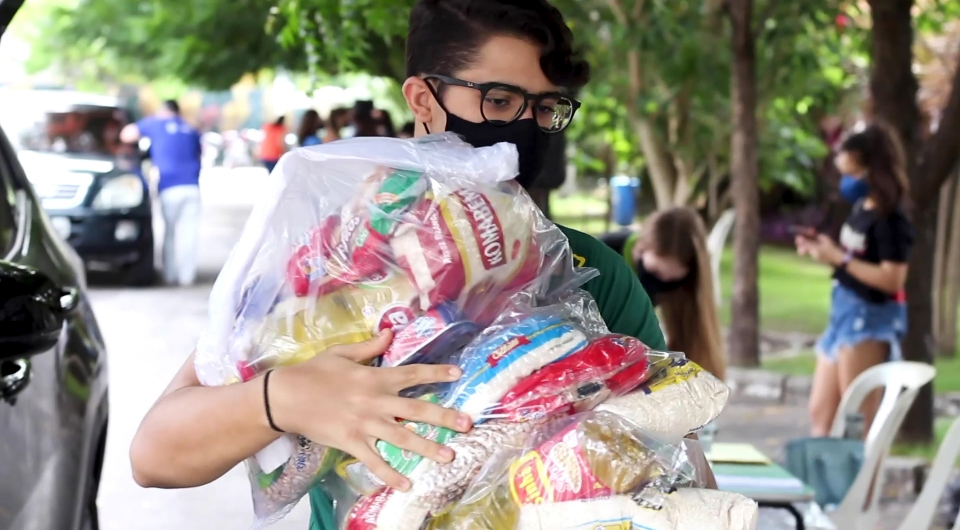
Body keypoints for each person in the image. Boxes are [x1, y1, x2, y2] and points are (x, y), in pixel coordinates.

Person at [129, 3, 671, 529]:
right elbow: (154, 456)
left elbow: (677, 467)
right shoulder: (339, 256)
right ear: (423, 97)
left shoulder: (587, 271)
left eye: (545, 108)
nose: (524, 129)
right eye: (501, 101)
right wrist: (284, 398)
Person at [795, 124, 913, 437]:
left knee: (857, 421)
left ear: (873, 169)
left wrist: (840, 258)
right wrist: (823, 251)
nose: (848, 181)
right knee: (820, 414)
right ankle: (821, 485)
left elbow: (892, 279)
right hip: (842, 314)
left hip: (868, 319)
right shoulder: (861, 208)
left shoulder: (891, 220)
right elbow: (852, 260)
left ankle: (865, 486)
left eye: (854, 172)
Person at [600, 207, 726, 380]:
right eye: (656, 273)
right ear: (640, 247)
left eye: (672, 281)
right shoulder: (603, 255)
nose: (661, 284)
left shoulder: (683, 287)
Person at [120, 99, 202, 287]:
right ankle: (187, 277)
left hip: (169, 187)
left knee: (170, 233)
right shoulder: (190, 128)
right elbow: (198, 153)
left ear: (163, 111)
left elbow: (127, 134)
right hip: (192, 187)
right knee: (190, 233)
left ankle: (170, 275)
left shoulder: (155, 124)